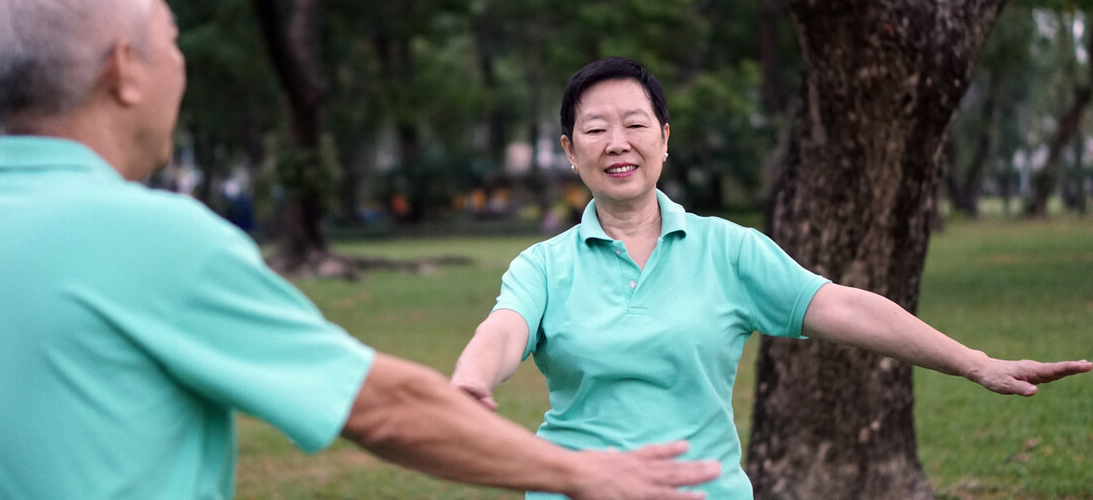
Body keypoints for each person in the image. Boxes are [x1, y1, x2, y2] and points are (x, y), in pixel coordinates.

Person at [0, 0, 722, 499]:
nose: (180, 62)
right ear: (124, 70)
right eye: (171, 40)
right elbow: (383, 408)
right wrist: (585, 473)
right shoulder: (155, 241)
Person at [449, 56, 1092, 500]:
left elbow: (845, 308)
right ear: (570, 150)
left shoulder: (730, 251)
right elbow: (504, 331)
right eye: (595, 129)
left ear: (664, 139)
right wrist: (470, 381)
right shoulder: (544, 265)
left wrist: (975, 363)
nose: (617, 142)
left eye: (635, 124)